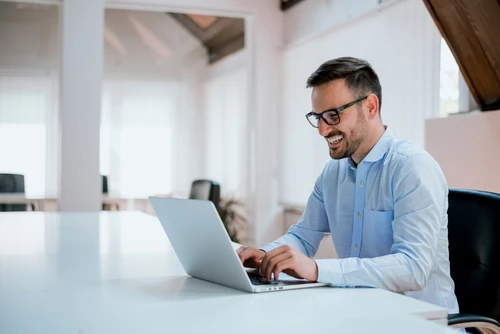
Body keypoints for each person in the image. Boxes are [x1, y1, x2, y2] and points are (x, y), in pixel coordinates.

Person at [237, 57, 459, 314]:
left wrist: (316, 269)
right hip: (360, 315)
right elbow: (303, 236)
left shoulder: (412, 168)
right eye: (317, 117)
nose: (322, 130)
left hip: (420, 324)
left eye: (333, 115)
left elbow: (413, 268)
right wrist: (265, 255)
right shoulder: (333, 173)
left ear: (371, 107)